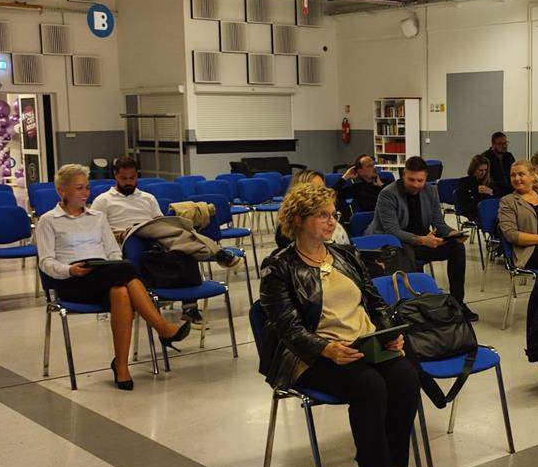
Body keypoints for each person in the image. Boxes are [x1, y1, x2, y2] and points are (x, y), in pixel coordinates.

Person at [259, 183, 421, 467]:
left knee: (405, 377)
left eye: (333, 215)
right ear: (298, 219)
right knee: (370, 385)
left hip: (363, 344)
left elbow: (375, 303)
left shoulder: (346, 255)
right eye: (322, 216)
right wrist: (327, 349)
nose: (332, 222)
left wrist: (388, 334)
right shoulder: (279, 268)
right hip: (310, 356)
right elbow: (288, 329)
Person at [36, 164, 190, 391]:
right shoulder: (48, 221)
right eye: (79, 188)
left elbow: (113, 253)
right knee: (125, 270)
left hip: (104, 274)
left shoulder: (97, 217)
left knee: (121, 291)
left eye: (87, 187)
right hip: (71, 281)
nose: (85, 193)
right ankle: (162, 328)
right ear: (62, 190)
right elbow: (46, 262)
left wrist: (110, 266)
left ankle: (121, 366)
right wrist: (70, 270)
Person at [90, 156, 239, 328]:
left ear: (137, 176)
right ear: (115, 176)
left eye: (132, 178)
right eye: (124, 178)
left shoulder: (147, 198)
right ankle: (215, 251)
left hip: (153, 235)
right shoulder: (103, 200)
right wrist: (115, 235)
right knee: (139, 244)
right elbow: (95, 230)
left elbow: (160, 224)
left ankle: (189, 309)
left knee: (183, 250)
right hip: (123, 238)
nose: (129, 182)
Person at [367, 156, 478, 321]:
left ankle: (457, 303)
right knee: (407, 252)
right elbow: (392, 231)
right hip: (393, 244)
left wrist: (452, 234)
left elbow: (439, 223)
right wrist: (422, 240)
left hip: (421, 240)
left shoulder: (430, 191)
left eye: (420, 180)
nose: (416, 184)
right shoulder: (388, 194)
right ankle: (413, 307)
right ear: (404, 175)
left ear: (426, 178)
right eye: (411, 179)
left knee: (456, 247)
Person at [275, 169, 349, 249]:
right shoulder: (286, 232)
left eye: (322, 188)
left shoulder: (332, 215)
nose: (320, 193)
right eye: (314, 189)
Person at [455, 154, 494, 221]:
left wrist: (491, 192)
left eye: (485, 170)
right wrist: (476, 192)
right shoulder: (464, 182)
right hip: (473, 214)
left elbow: (497, 200)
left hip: (489, 213)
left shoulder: (489, 182)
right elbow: (463, 206)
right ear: (474, 169)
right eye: (480, 170)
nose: (484, 173)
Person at [483, 131, 515, 196]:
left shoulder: (509, 156)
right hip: (493, 191)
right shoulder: (485, 157)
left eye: (505, 143)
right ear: (493, 144)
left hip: (510, 189)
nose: (504, 146)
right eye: (500, 144)